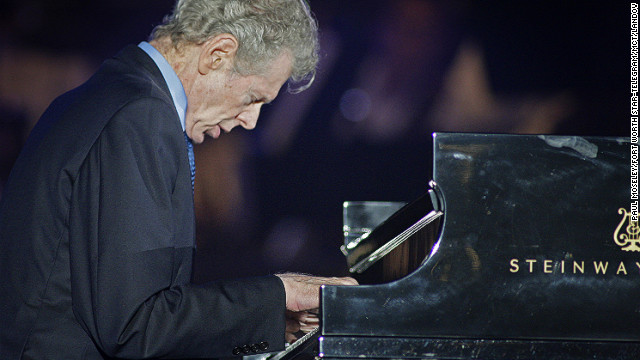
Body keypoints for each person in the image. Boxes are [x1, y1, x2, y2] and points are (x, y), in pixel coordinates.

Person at [0, 0, 357, 358]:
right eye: (253, 98)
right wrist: (280, 293)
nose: (250, 121)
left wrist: (266, 317)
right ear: (217, 55)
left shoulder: (119, 91)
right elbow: (134, 327)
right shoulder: (140, 115)